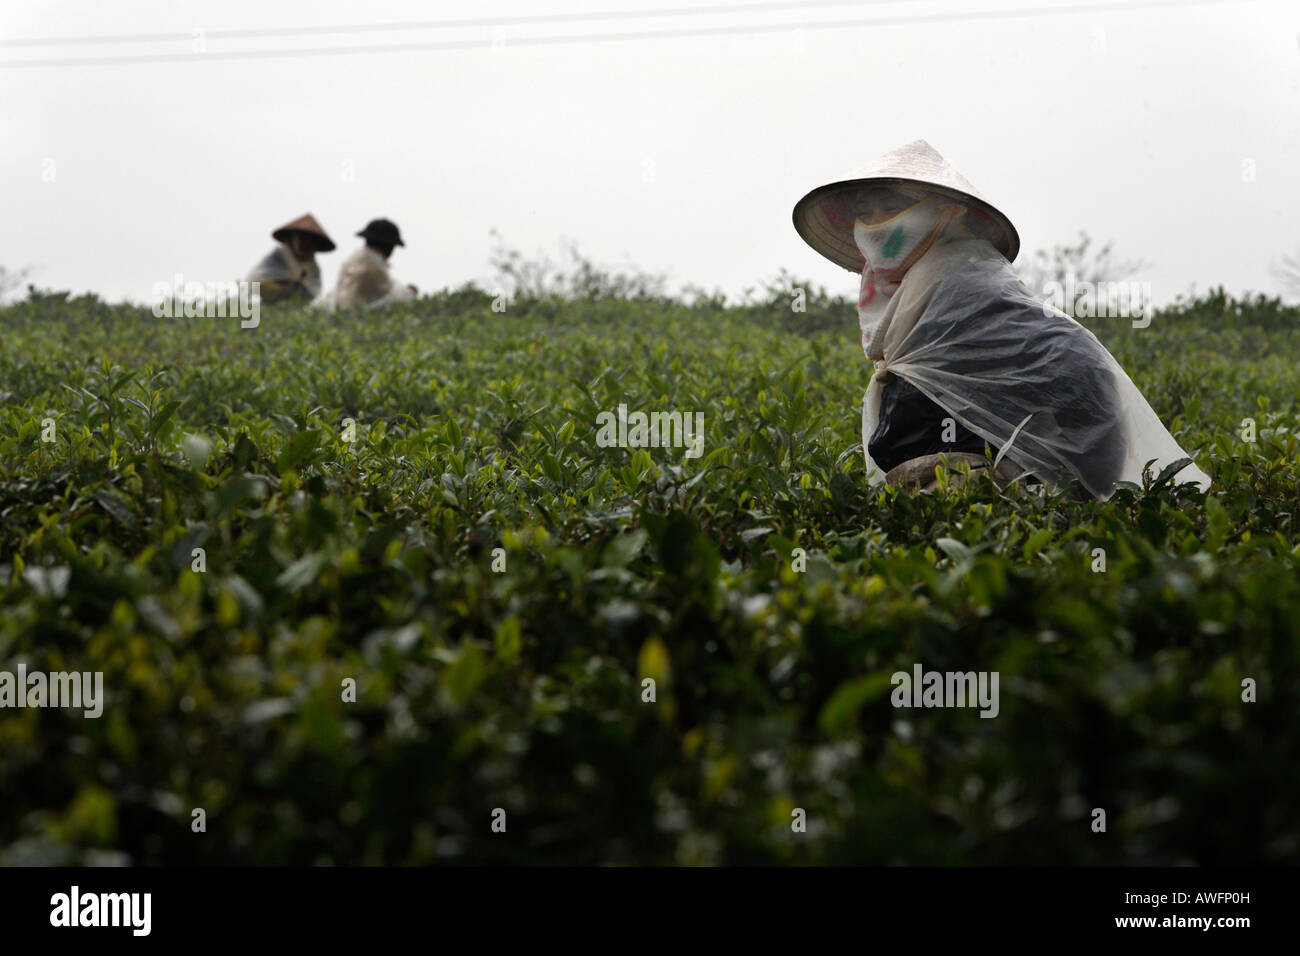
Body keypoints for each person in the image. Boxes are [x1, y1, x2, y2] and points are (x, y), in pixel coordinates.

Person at [792, 139, 1210, 500]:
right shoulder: (925, 292)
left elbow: (1085, 435)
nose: (877, 220)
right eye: (867, 209)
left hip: (1002, 503)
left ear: (944, 213)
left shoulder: (959, 291)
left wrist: (1017, 478)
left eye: (894, 204)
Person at [321, 218, 417, 312]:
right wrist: (408, 294)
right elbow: (389, 297)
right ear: (388, 247)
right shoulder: (372, 267)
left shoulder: (353, 261)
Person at [246, 213, 335, 303]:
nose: (306, 244)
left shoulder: (313, 268)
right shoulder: (279, 256)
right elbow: (257, 284)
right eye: (303, 239)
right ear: (293, 238)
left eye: (311, 241)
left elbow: (313, 293)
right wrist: (286, 288)